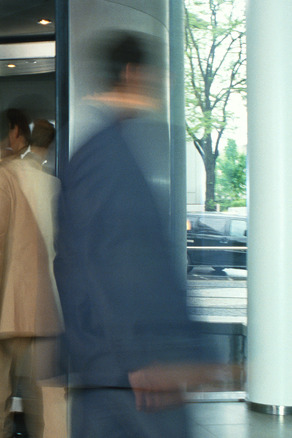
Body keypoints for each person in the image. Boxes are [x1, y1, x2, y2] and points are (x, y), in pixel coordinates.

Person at [54, 32, 214, 437]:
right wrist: (142, 358)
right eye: (156, 76)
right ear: (131, 73)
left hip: (117, 369)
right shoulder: (108, 159)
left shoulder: (106, 151)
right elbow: (114, 262)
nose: (161, 87)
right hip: (131, 373)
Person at [0, 111, 62, 438]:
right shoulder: (51, 185)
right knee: (53, 398)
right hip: (49, 307)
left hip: (4, 312)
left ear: (15, 135)